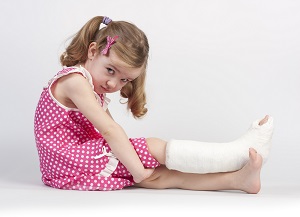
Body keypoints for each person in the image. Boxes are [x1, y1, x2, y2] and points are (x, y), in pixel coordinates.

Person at [34, 16, 274, 194]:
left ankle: (238, 181)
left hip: (66, 166)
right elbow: (110, 131)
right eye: (110, 70)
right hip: (66, 157)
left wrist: (135, 164)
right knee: (152, 148)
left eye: (124, 80)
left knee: (160, 177)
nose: (113, 83)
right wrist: (137, 167)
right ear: (93, 51)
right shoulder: (75, 81)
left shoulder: (93, 87)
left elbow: (111, 130)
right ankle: (235, 154)